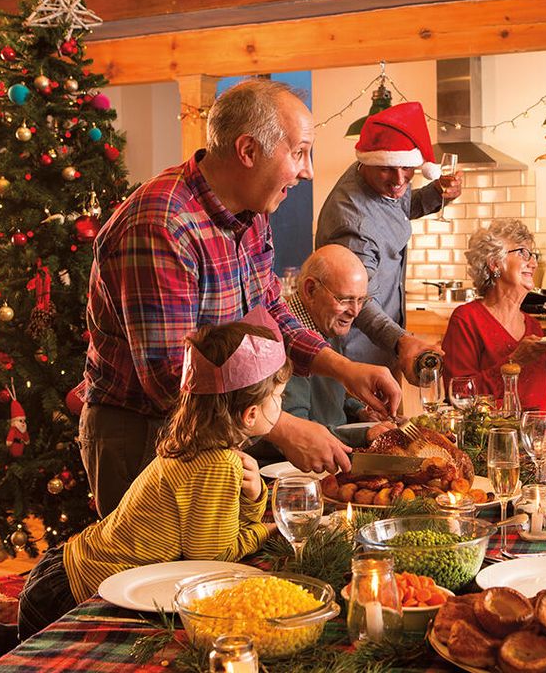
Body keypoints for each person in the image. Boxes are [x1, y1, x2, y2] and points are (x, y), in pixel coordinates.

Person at [0, 317, 290, 673]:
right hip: (77, 591)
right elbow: (214, 560)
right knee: (37, 663)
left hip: (64, 571)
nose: (282, 404)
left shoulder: (192, 446)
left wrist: (252, 499)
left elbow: (206, 540)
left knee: (33, 641)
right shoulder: (216, 464)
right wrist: (266, 526)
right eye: (279, 396)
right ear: (250, 415)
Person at [81, 78, 401, 515]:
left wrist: (343, 369)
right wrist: (282, 427)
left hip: (214, 427)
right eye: (299, 152)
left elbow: (270, 313)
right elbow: (170, 378)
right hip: (145, 434)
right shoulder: (162, 225)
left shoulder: (250, 214)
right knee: (154, 578)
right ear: (248, 151)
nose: (307, 170)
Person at [315, 101, 462, 383]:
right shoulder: (353, 222)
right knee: (364, 427)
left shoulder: (378, 174)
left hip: (382, 350)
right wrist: (402, 341)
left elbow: (398, 205)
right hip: (355, 358)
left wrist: (437, 193)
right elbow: (357, 303)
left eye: (408, 168)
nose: (398, 179)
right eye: (387, 169)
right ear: (369, 161)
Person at [248, 244, 391, 461]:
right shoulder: (281, 345)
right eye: (345, 299)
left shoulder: (327, 324)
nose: (355, 311)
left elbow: (330, 403)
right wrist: (364, 435)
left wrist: (360, 410)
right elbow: (296, 433)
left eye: (361, 300)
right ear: (310, 290)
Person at [441, 219, 546, 413]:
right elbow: (459, 397)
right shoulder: (467, 320)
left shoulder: (533, 326)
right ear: (494, 263)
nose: (533, 263)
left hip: (538, 438)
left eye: (532, 255)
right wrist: (514, 362)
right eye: (522, 253)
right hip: (491, 440)